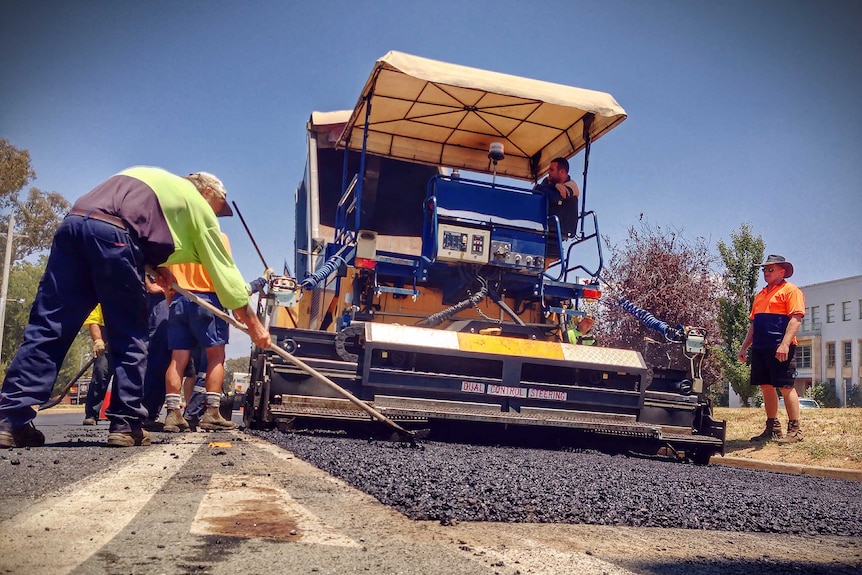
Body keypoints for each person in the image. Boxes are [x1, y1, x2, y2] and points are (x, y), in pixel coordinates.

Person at [0, 167, 271, 449]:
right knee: (130, 332)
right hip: (115, 237)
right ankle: (126, 423)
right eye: (217, 207)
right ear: (207, 192)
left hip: (73, 226)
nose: (215, 215)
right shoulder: (198, 206)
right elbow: (227, 278)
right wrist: (256, 328)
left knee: (49, 326)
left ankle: (10, 420)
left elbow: (123, 221)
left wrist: (157, 266)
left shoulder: (151, 179)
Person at [162, 238, 236, 433]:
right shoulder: (218, 237)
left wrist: (172, 301)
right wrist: (237, 304)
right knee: (216, 356)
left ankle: (172, 413)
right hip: (208, 300)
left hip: (178, 298)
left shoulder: (175, 238)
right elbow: (225, 271)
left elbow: (165, 275)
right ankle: (212, 412)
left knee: (177, 359)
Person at [737, 254, 806, 444]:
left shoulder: (791, 291)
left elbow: (796, 319)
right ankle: (772, 428)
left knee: (786, 386)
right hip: (760, 347)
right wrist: (744, 347)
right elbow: (754, 324)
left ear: (782, 271)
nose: (766, 273)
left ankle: (795, 430)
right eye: (765, 270)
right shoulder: (760, 295)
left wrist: (784, 344)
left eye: (771, 269)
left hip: (781, 348)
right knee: (766, 387)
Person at [534, 157, 580, 238]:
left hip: (560, 229)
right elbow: (536, 191)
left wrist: (545, 187)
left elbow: (553, 197)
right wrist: (555, 185)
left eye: (551, 170)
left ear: (562, 171)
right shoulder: (548, 181)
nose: (548, 172)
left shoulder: (572, 186)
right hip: (545, 226)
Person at [82, 305, 113, 426]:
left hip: (126, 334)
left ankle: (120, 415)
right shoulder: (100, 298)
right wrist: (98, 340)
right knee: (101, 371)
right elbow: (93, 320)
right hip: (105, 335)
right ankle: (91, 413)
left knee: (125, 375)